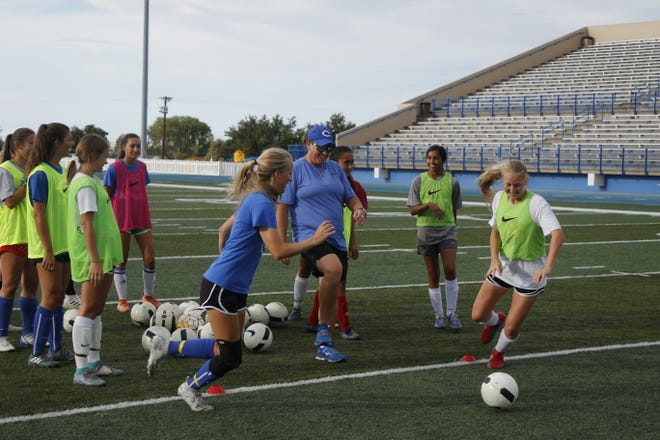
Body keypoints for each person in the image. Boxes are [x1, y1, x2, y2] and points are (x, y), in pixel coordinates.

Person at [146, 147, 335, 411]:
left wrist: (228, 260)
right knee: (230, 357)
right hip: (222, 287)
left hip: (228, 285)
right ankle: (189, 387)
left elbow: (223, 229)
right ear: (277, 174)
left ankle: (167, 346)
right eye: (290, 174)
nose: (291, 179)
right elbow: (278, 250)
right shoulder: (260, 203)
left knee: (225, 348)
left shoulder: (255, 198)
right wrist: (314, 240)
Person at [277, 126, 367, 363]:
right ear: (307, 143)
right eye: (321, 148)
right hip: (309, 236)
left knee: (335, 284)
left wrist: (359, 209)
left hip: (336, 238)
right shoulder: (295, 170)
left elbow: (350, 196)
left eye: (329, 149)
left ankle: (324, 342)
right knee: (333, 269)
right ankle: (321, 333)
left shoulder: (336, 170)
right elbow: (283, 207)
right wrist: (281, 241)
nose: (325, 153)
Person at [472, 159, 564, 369]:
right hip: (503, 267)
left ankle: (497, 353)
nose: (512, 189)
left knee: (512, 329)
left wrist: (547, 267)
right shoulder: (498, 199)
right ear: (502, 182)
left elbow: (558, 235)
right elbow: (495, 231)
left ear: (525, 181)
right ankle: (495, 321)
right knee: (478, 315)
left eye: (517, 185)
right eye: (508, 185)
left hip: (530, 275)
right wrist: (494, 259)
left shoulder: (537, 203)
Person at [66, 134, 125, 386]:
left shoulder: (90, 181)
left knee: (96, 311)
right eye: (104, 156)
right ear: (92, 155)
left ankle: (94, 362)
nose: (106, 161)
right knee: (88, 310)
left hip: (103, 255)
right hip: (94, 257)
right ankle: (81, 371)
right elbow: (87, 225)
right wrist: (95, 261)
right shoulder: (86, 185)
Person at [301, 146, 367, 340]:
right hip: (319, 238)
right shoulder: (324, 181)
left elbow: (352, 215)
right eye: (346, 162)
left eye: (352, 162)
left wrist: (352, 242)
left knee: (327, 282)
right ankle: (345, 328)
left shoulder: (353, 187)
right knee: (337, 283)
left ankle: (313, 321)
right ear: (333, 163)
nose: (350, 166)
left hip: (340, 239)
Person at [25, 122, 76, 367]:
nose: (71, 142)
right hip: (47, 247)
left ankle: (56, 349)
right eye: (68, 138)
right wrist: (46, 249)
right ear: (55, 142)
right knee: (50, 296)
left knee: (58, 298)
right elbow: (38, 214)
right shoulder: (39, 173)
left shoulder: (59, 170)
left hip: (64, 245)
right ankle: (36, 352)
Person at [407, 145, 463, 331]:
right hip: (426, 232)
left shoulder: (453, 182)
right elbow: (412, 210)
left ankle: (452, 313)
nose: (432, 162)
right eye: (429, 158)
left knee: (450, 269)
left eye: (436, 158)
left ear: (443, 160)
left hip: (447, 230)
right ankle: (439, 315)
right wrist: (429, 205)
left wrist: (451, 225)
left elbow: (454, 208)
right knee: (433, 274)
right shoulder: (418, 181)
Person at [103, 133, 160, 312]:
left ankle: (148, 295)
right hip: (121, 219)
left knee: (150, 259)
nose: (136, 149)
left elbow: (141, 190)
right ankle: (122, 300)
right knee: (121, 261)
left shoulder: (142, 167)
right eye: (132, 146)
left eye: (138, 146)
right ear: (123, 147)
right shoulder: (114, 168)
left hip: (141, 217)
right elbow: (105, 195)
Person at [0, 128, 39, 352]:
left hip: (30, 237)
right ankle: (2, 335)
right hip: (12, 235)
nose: (34, 146)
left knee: (31, 286)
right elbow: (10, 202)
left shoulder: (30, 169)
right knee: (9, 286)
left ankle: (28, 333)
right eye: (30, 142)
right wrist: (27, 183)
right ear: (17, 145)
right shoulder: (5, 170)